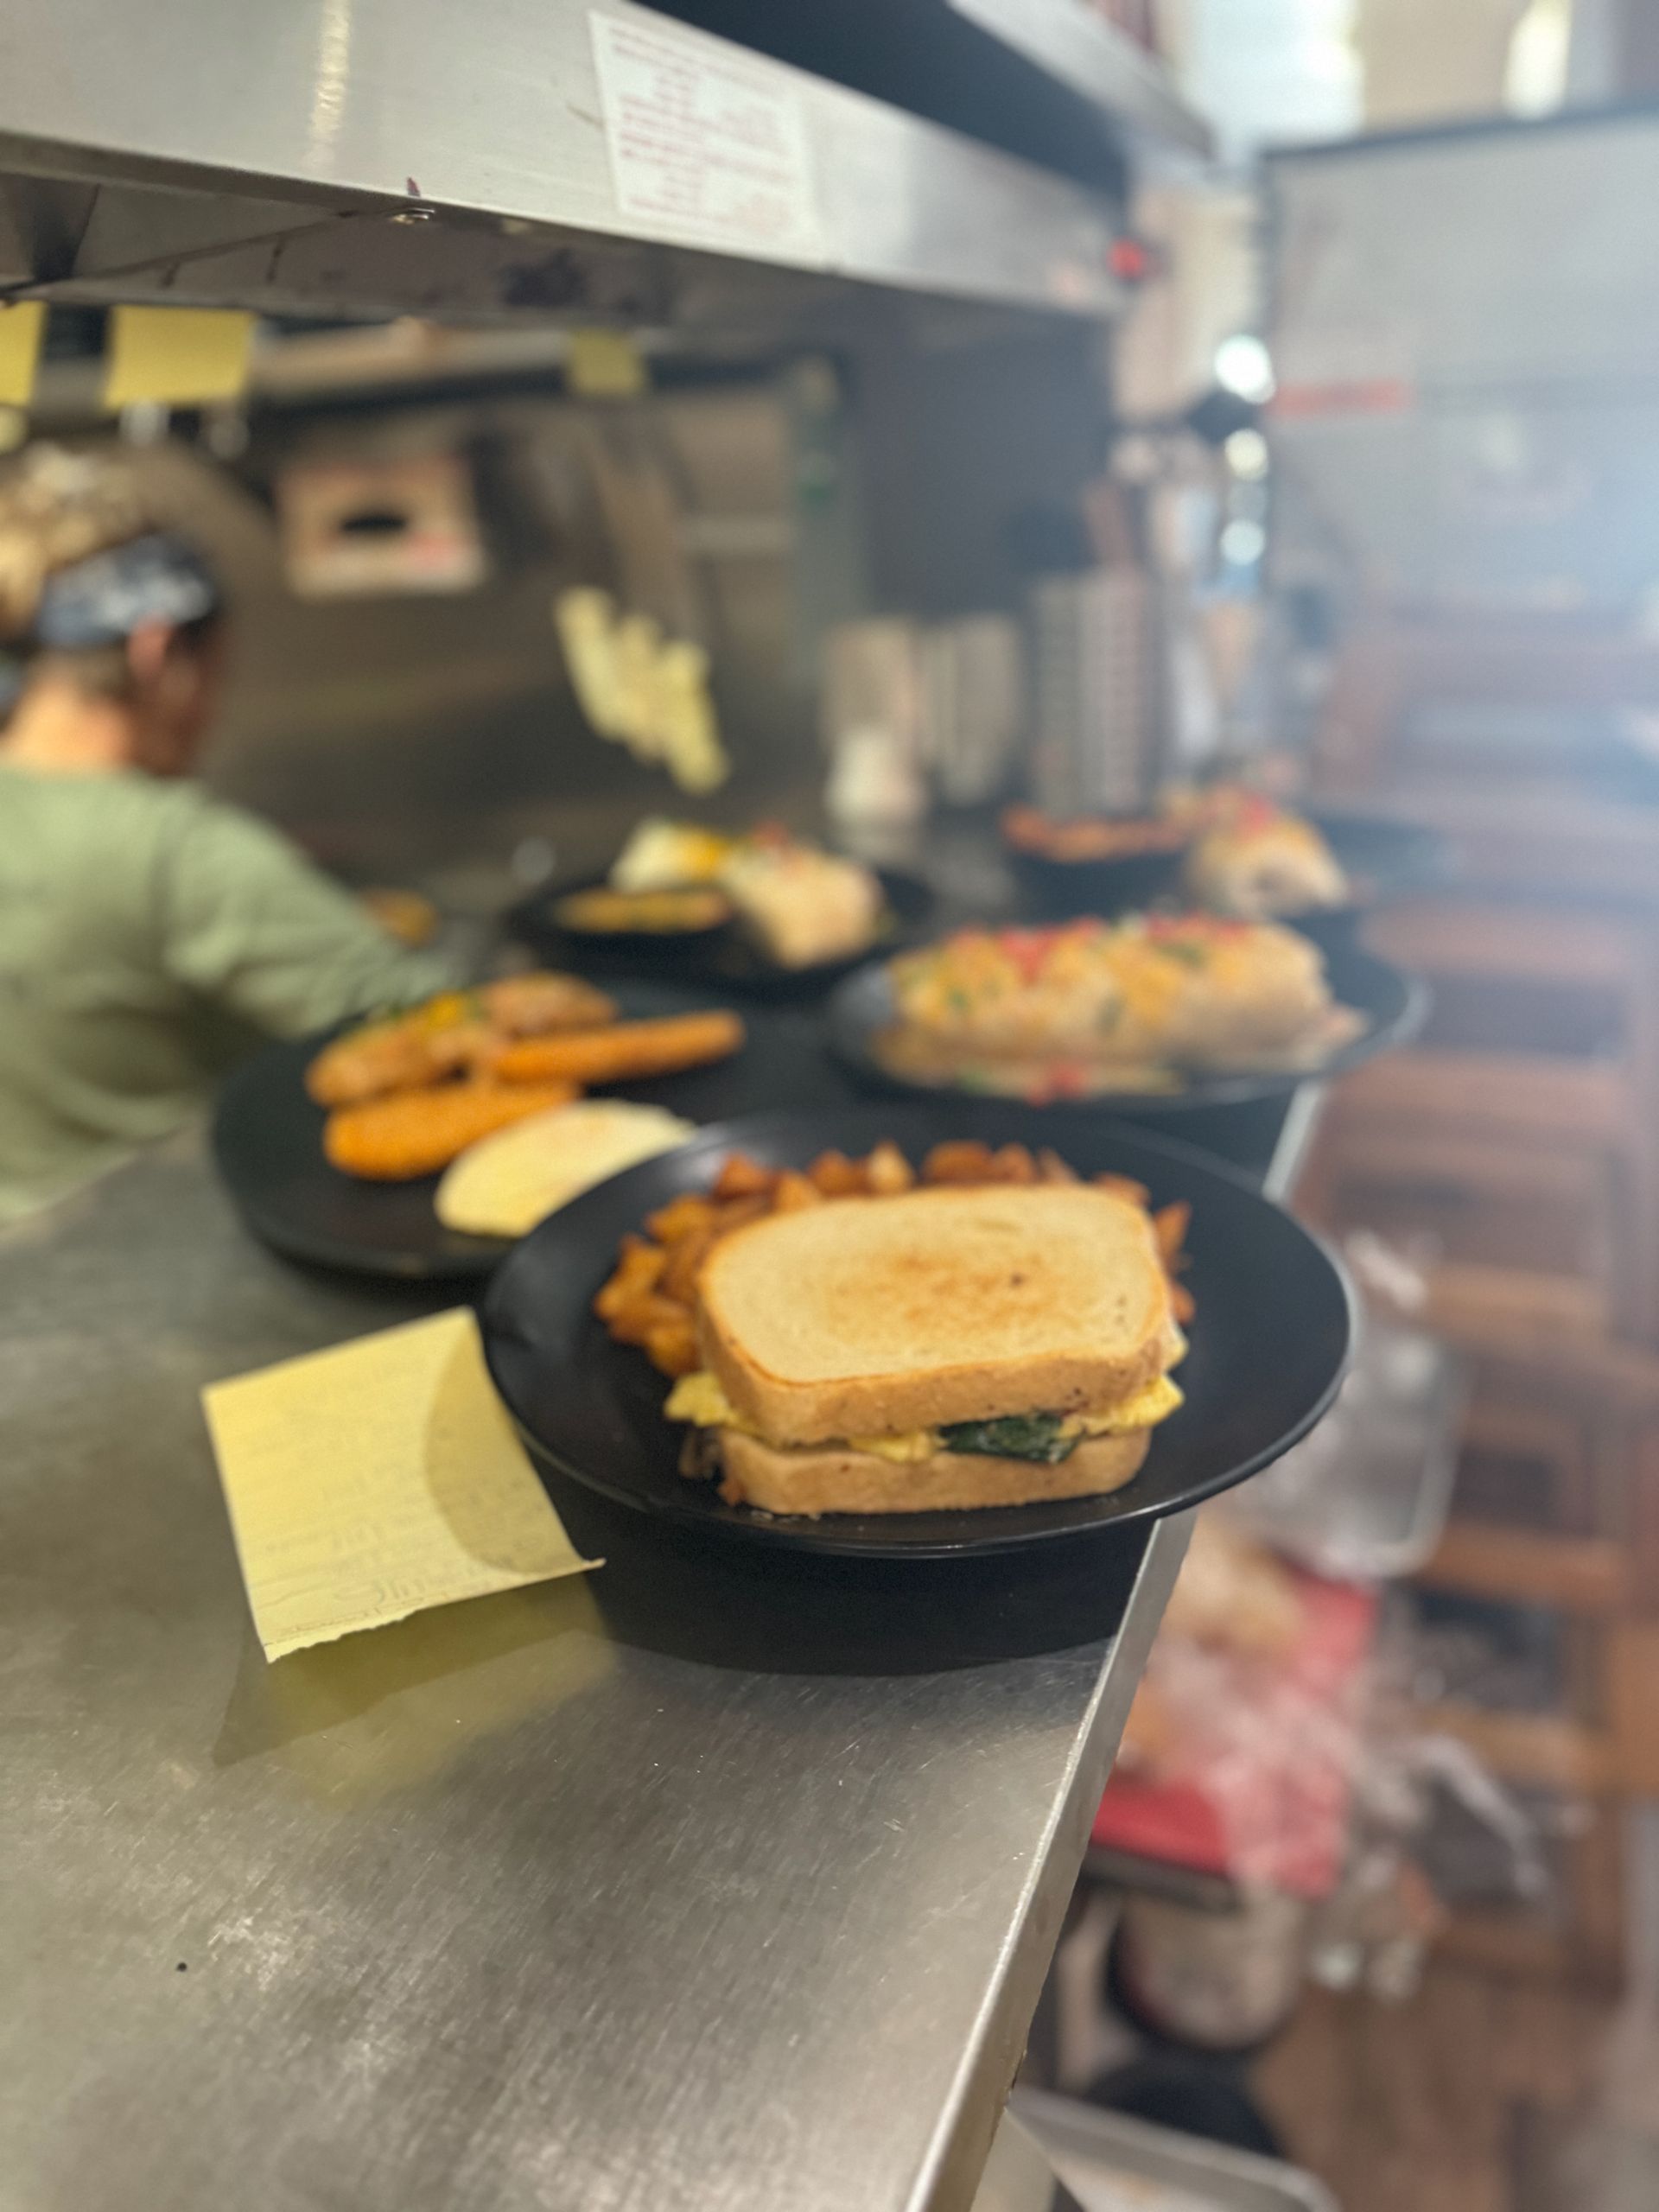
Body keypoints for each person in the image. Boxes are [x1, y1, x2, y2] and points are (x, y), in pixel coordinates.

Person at [0, 443, 455, 1222]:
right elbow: (434, 1026)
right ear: (159, 651)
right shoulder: (176, 851)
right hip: (162, 1263)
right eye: (216, 674)